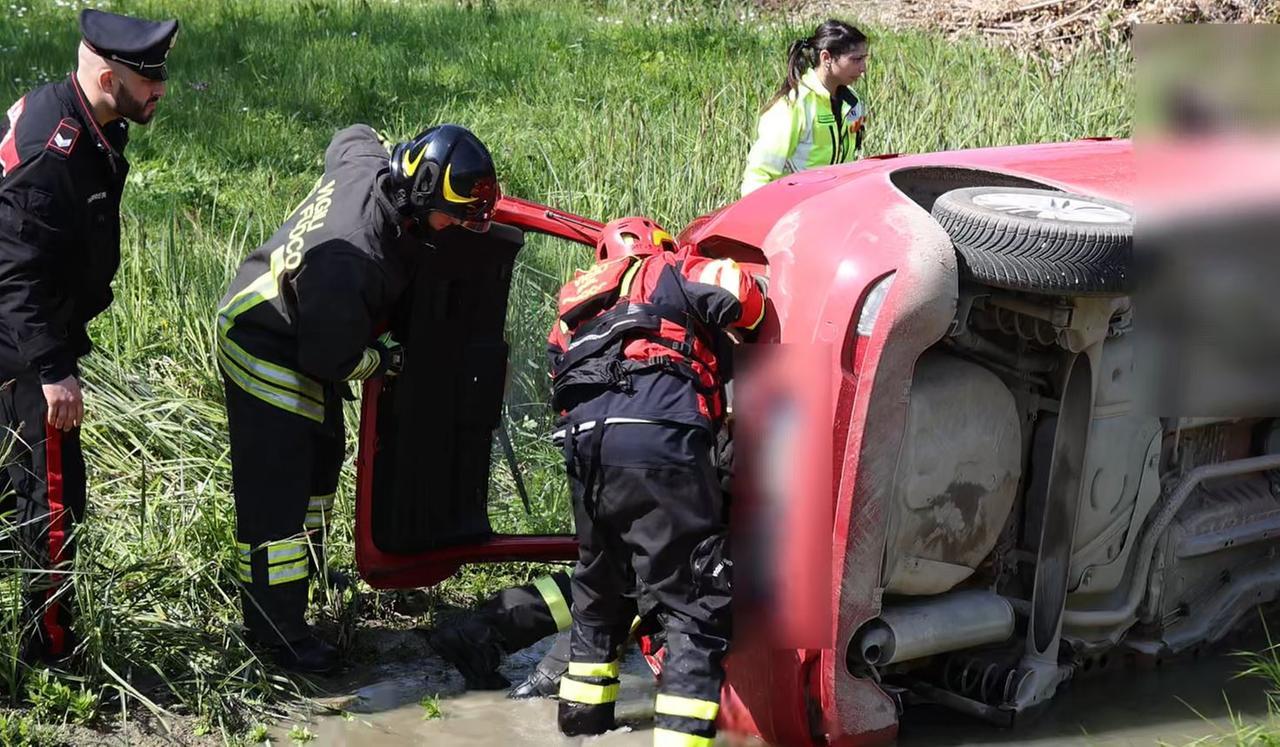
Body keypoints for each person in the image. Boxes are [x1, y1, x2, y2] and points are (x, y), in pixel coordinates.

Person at [216, 122, 498, 674]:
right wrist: (384, 360)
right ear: (419, 198)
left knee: (323, 464)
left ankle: (311, 574)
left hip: (302, 326)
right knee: (279, 495)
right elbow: (328, 360)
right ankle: (278, 636)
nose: (458, 226)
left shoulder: (368, 166)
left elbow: (352, 135)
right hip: (265, 344)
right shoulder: (355, 260)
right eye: (452, 215)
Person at [0, 8, 178, 665]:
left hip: (30, 335)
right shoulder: (56, 153)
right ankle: (49, 656)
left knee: (19, 492)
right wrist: (52, 370)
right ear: (108, 78)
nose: (162, 90)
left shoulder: (78, 117)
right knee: (51, 505)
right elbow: (14, 272)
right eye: (150, 80)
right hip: (22, 348)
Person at [549, 217, 766, 745]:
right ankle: (680, 737)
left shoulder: (573, 302)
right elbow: (745, 298)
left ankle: (582, 723)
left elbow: (556, 372)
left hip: (586, 448)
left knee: (599, 584)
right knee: (695, 592)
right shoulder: (670, 267)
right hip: (659, 434)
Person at [740, 19, 870, 196]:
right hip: (796, 210)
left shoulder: (852, 102)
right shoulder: (793, 107)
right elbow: (760, 174)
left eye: (864, 59)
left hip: (835, 207)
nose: (863, 68)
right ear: (827, 58)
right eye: (856, 60)